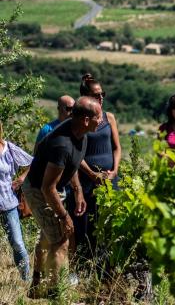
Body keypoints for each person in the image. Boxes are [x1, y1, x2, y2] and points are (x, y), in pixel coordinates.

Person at [22, 96, 102, 298]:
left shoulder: (78, 132)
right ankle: (56, 294)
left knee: (49, 237)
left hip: (51, 186)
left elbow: (73, 161)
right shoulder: (62, 143)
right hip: (38, 190)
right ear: (85, 119)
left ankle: (37, 286)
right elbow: (47, 187)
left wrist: (79, 188)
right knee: (61, 239)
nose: (101, 121)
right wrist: (64, 215)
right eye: (98, 117)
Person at [68, 73, 121, 257]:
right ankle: (85, 266)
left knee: (109, 222)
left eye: (102, 94)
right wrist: (91, 174)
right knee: (86, 225)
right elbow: (74, 153)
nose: (100, 98)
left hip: (109, 179)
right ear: (86, 98)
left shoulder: (109, 118)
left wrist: (114, 171)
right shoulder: (78, 121)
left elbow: (117, 147)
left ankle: (107, 265)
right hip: (87, 180)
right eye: (96, 95)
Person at [0, 121, 32, 281]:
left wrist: (21, 178)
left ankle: (26, 281)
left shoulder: (9, 149)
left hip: (8, 203)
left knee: (18, 244)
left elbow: (34, 162)